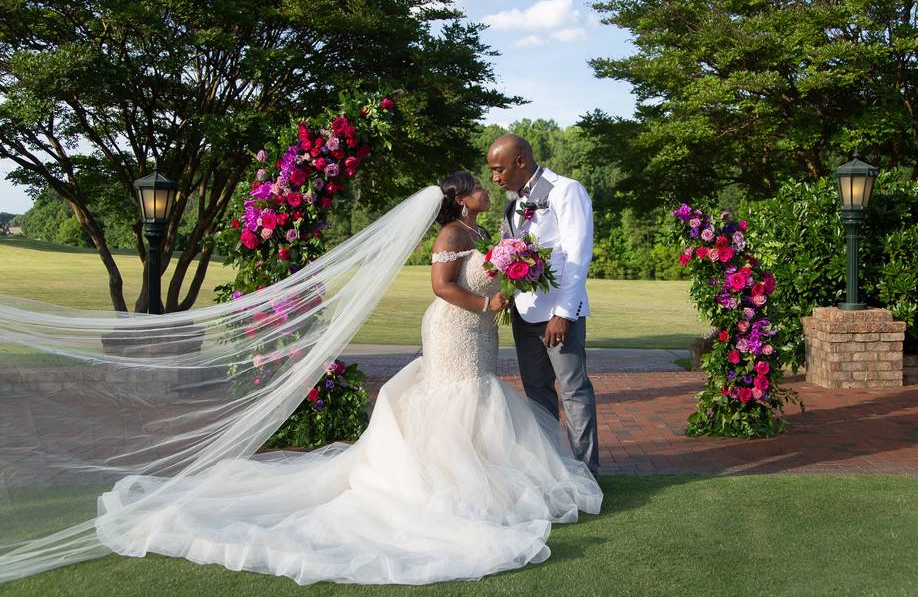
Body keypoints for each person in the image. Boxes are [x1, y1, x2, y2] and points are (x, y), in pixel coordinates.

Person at [92, 172, 602, 586]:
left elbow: (495, 271)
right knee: (457, 399)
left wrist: (518, 278)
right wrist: (488, 300)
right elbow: (443, 287)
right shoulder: (450, 235)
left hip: (481, 331)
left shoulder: (481, 233)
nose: (486, 186)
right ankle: (444, 486)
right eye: (477, 183)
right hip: (456, 326)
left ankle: (481, 480)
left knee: (476, 400)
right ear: (462, 199)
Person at [488, 134, 600, 474]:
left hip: (558, 314)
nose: (495, 178)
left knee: (573, 392)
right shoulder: (515, 201)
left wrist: (563, 313)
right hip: (524, 313)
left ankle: (586, 473)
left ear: (520, 161)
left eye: (499, 169)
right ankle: (551, 472)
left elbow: (578, 256)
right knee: (537, 394)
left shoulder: (566, 190)